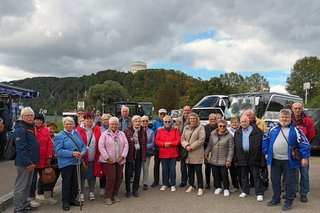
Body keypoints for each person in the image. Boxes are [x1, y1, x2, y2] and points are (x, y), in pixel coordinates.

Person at [262, 109, 310, 211]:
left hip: (290, 161)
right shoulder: (272, 128)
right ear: (279, 118)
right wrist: (266, 152)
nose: (284, 119)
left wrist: (305, 157)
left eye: (286, 117)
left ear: (290, 118)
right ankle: (276, 198)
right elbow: (265, 139)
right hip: (275, 160)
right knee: (274, 180)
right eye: (282, 117)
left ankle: (289, 201)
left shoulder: (296, 129)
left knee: (290, 182)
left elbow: (304, 143)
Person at [54, 116, 86, 211]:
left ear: (73, 124)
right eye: (66, 124)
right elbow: (58, 151)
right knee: (67, 183)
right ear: (64, 125)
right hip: (66, 163)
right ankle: (65, 202)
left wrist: (82, 153)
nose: (69, 125)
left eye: (70, 123)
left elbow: (83, 146)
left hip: (77, 162)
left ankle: (72, 199)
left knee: (75, 182)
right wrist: (72, 153)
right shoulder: (60, 136)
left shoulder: (76, 133)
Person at [13, 107, 40, 213]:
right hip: (24, 163)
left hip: (30, 162)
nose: (30, 117)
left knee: (27, 185)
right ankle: (19, 208)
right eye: (27, 115)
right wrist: (28, 162)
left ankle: (24, 204)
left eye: (31, 115)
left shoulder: (29, 127)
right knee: (21, 186)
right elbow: (21, 149)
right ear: (22, 116)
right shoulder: (20, 129)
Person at [234, 115, 265, 202]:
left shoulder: (257, 131)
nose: (244, 123)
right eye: (242, 122)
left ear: (249, 122)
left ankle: (259, 193)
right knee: (243, 176)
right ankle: (245, 191)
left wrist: (262, 160)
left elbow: (261, 146)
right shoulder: (237, 132)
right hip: (242, 157)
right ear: (240, 123)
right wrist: (235, 159)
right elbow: (235, 147)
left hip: (254, 156)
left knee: (256, 176)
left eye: (245, 121)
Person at [98, 117, 129, 205]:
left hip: (120, 160)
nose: (114, 125)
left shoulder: (122, 134)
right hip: (109, 161)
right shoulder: (104, 134)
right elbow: (101, 146)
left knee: (119, 177)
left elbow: (126, 145)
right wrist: (107, 158)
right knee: (111, 178)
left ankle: (115, 194)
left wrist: (122, 156)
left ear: (118, 125)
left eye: (116, 124)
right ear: (109, 124)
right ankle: (108, 196)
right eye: (112, 124)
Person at [29, 114, 57, 205]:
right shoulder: (30, 129)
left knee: (47, 177)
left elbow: (49, 144)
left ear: (43, 121)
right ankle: (31, 198)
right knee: (32, 180)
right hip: (33, 159)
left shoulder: (45, 130)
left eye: (40, 120)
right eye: (36, 119)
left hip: (44, 159)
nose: (38, 121)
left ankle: (48, 196)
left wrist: (49, 156)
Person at [291, 102, 315, 202]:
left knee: (304, 173)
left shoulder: (308, 121)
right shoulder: (288, 119)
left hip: (303, 151)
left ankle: (304, 193)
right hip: (292, 151)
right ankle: (294, 190)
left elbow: (311, 135)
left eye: (299, 108)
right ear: (292, 109)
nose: (297, 110)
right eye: (295, 108)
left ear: (302, 109)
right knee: (292, 173)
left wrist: (304, 145)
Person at [76, 112, 101, 202]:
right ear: (84, 119)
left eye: (91, 118)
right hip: (83, 157)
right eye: (87, 118)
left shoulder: (97, 129)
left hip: (94, 156)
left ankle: (91, 191)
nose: (89, 120)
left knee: (92, 175)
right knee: (82, 176)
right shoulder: (78, 129)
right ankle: (81, 193)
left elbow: (100, 140)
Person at [205, 120, 234, 197]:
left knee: (224, 174)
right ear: (218, 126)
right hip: (214, 158)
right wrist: (206, 153)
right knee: (215, 174)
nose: (222, 127)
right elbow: (210, 145)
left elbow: (231, 149)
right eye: (220, 126)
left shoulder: (229, 136)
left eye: (224, 126)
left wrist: (229, 160)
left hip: (224, 159)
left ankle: (226, 188)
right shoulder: (213, 134)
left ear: (226, 126)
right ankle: (218, 187)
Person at [181, 113, 205, 196]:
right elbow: (182, 139)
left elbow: (201, 139)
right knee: (190, 171)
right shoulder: (186, 128)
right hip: (188, 153)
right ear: (189, 119)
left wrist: (191, 147)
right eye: (191, 119)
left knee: (198, 171)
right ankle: (191, 185)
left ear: (197, 119)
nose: (192, 120)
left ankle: (200, 187)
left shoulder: (200, 127)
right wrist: (186, 145)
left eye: (194, 119)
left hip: (197, 152)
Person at [156, 115, 181, 192]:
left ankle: (173, 184)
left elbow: (178, 140)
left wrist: (171, 143)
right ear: (163, 122)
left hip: (173, 153)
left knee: (172, 169)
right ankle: (165, 184)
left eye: (169, 121)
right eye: (165, 122)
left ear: (171, 122)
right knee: (164, 169)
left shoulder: (175, 130)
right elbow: (156, 140)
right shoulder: (160, 130)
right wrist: (163, 144)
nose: (167, 123)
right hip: (163, 153)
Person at [124, 115, 147, 197]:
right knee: (128, 173)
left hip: (139, 153)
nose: (137, 123)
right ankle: (127, 190)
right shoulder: (127, 130)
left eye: (139, 121)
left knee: (138, 172)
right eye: (135, 121)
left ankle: (135, 190)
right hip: (130, 154)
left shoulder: (143, 131)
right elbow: (124, 143)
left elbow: (145, 142)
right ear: (132, 122)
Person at [174, 105, 191, 188]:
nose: (186, 112)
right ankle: (184, 180)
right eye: (185, 110)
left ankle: (191, 181)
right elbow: (175, 130)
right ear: (182, 111)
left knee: (191, 163)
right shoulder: (178, 120)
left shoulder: (193, 119)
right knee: (183, 163)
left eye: (188, 110)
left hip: (190, 144)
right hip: (181, 144)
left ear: (190, 111)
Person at [151, 108, 167, 187]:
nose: (162, 115)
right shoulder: (155, 122)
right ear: (158, 114)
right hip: (157, 147)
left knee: (165, 166)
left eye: (164, 114)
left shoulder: (168, 121)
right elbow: (151, 133)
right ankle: (156, 181)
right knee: (156, 165)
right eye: (161, 114)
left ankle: (166, 181)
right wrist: (158, 130)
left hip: (166, 148)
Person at [203, 113, 218, 189]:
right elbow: (203, 139)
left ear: (216, 120)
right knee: (207, 167)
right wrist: (209, 146)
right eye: (211, 119)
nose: (213, 121)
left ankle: (216, 182)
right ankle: (207, 183)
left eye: (214, 119)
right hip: (207, 150)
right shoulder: (205, 127)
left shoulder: (219, 126)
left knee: (215, 168)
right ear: (209, 120)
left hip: (217, 150)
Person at [98, 113, 112, 196]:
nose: (106, 121)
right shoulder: (99, 129)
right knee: (102, 172)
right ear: (101, 121)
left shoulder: (113, 128)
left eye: (107, 119)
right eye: (104, 119)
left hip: (111, 153)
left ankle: (109, 187)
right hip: (102, 153)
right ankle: (102, 188)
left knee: (110, 172)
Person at [227, 117, 241, 192]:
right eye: (233, 122)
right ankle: (235, 186)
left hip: (239, 154)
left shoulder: (242, 130)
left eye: (236, 122)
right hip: (231, 154)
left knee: (241, 171)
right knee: (232, 171)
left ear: (239, 123)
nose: (234, 124)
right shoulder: (228, 131)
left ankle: (243, 186)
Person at [141, 115, 155, 190]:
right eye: (143, 121)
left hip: (147, 152)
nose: (145, 122)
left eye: (146, 121)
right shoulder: (138, 131)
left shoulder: (151, 132)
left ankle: (145, 183)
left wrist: (144, 147)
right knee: (137, 168)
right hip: (139, 153)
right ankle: (135, 182)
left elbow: (153, 143)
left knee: (145, 168)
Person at [47, 122, 60, 197]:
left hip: (56, 159)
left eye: (54, 129)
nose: (52, 130)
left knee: (55, 175)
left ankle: (52, 189)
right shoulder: (45, 136)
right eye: (50, 128)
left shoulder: (56, 137)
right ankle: (42, 192)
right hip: (48, 159)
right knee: (47, 176)